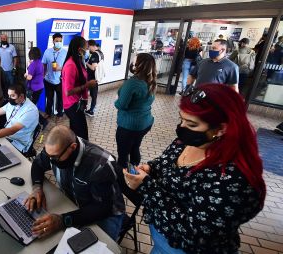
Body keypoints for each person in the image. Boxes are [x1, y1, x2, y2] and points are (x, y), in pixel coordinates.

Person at [124, 84, 266, 254]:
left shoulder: (231, 178)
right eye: (181, 119)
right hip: (163, 237)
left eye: (191, 124)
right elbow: (165, 161)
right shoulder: (187, 141)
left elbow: (195, 232)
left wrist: (146, 185)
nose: (181, 128)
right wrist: (151, 167)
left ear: (221, 129)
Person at [23, 125, 126, 240]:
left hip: (106, 214)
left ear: (72, 147)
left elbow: (103, 208)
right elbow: (37, 164)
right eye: (48, 156)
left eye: (55, 157)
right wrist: (37, 188)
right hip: (76, 202)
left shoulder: (100, 165)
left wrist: (62, 220)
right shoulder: (54, 151)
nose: (51, 160)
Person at [115, 53, 156, 169]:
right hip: (145, 123)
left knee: (123, 155)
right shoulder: (151, 82)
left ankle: (123, 179)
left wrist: (116, 102)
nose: (132, 62)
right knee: (135, 147)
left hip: (129, 126)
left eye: (135, 60)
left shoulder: (133, 83)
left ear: (139, 65)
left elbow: (122, 105)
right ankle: (134, 168)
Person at [61, 36, 97, 141]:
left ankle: (75, 152)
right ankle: (80, 154)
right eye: (85, 49)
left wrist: (85, 99)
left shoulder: (78, 62)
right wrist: (87, 85)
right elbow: (68, 92)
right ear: (79, 50)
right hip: (72, 105)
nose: (87, 51)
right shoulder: (70, 65)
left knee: (76, 134)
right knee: (82, 136)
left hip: (77, 103)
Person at [42, 33, 67, 118]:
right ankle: (48, 113)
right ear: (53, 41)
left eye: (60, 41)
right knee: (49, 98)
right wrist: (43, 75)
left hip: (60, 80)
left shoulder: (65, 52)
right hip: (48, 80)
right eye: (57, 41)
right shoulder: (47, 51)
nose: (59, 42)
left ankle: (60, 113)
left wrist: (60, 69)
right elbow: (44, 64)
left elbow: (68, 66)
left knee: (60, 99)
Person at [24, 47, 48, 128]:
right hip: (40, 87)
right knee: (33, 106)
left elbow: (29, 77)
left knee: (31, 107)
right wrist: (29, 66)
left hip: (34, 88)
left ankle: (42, 121)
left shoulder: (33, 64)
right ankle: (39, 122)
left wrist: (25, 75)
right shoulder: (39, 62)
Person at [84, 40, 100, 116]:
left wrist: (86, 63)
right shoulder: (100, 53)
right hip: (95, 78)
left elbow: (93, 68)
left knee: (92, 95)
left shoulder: (94, 54)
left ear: (91, 46)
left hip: (92, 79)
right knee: (93, 95)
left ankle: (91, 111)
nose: (88, 49)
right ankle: (91, 109)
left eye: (88, 47)